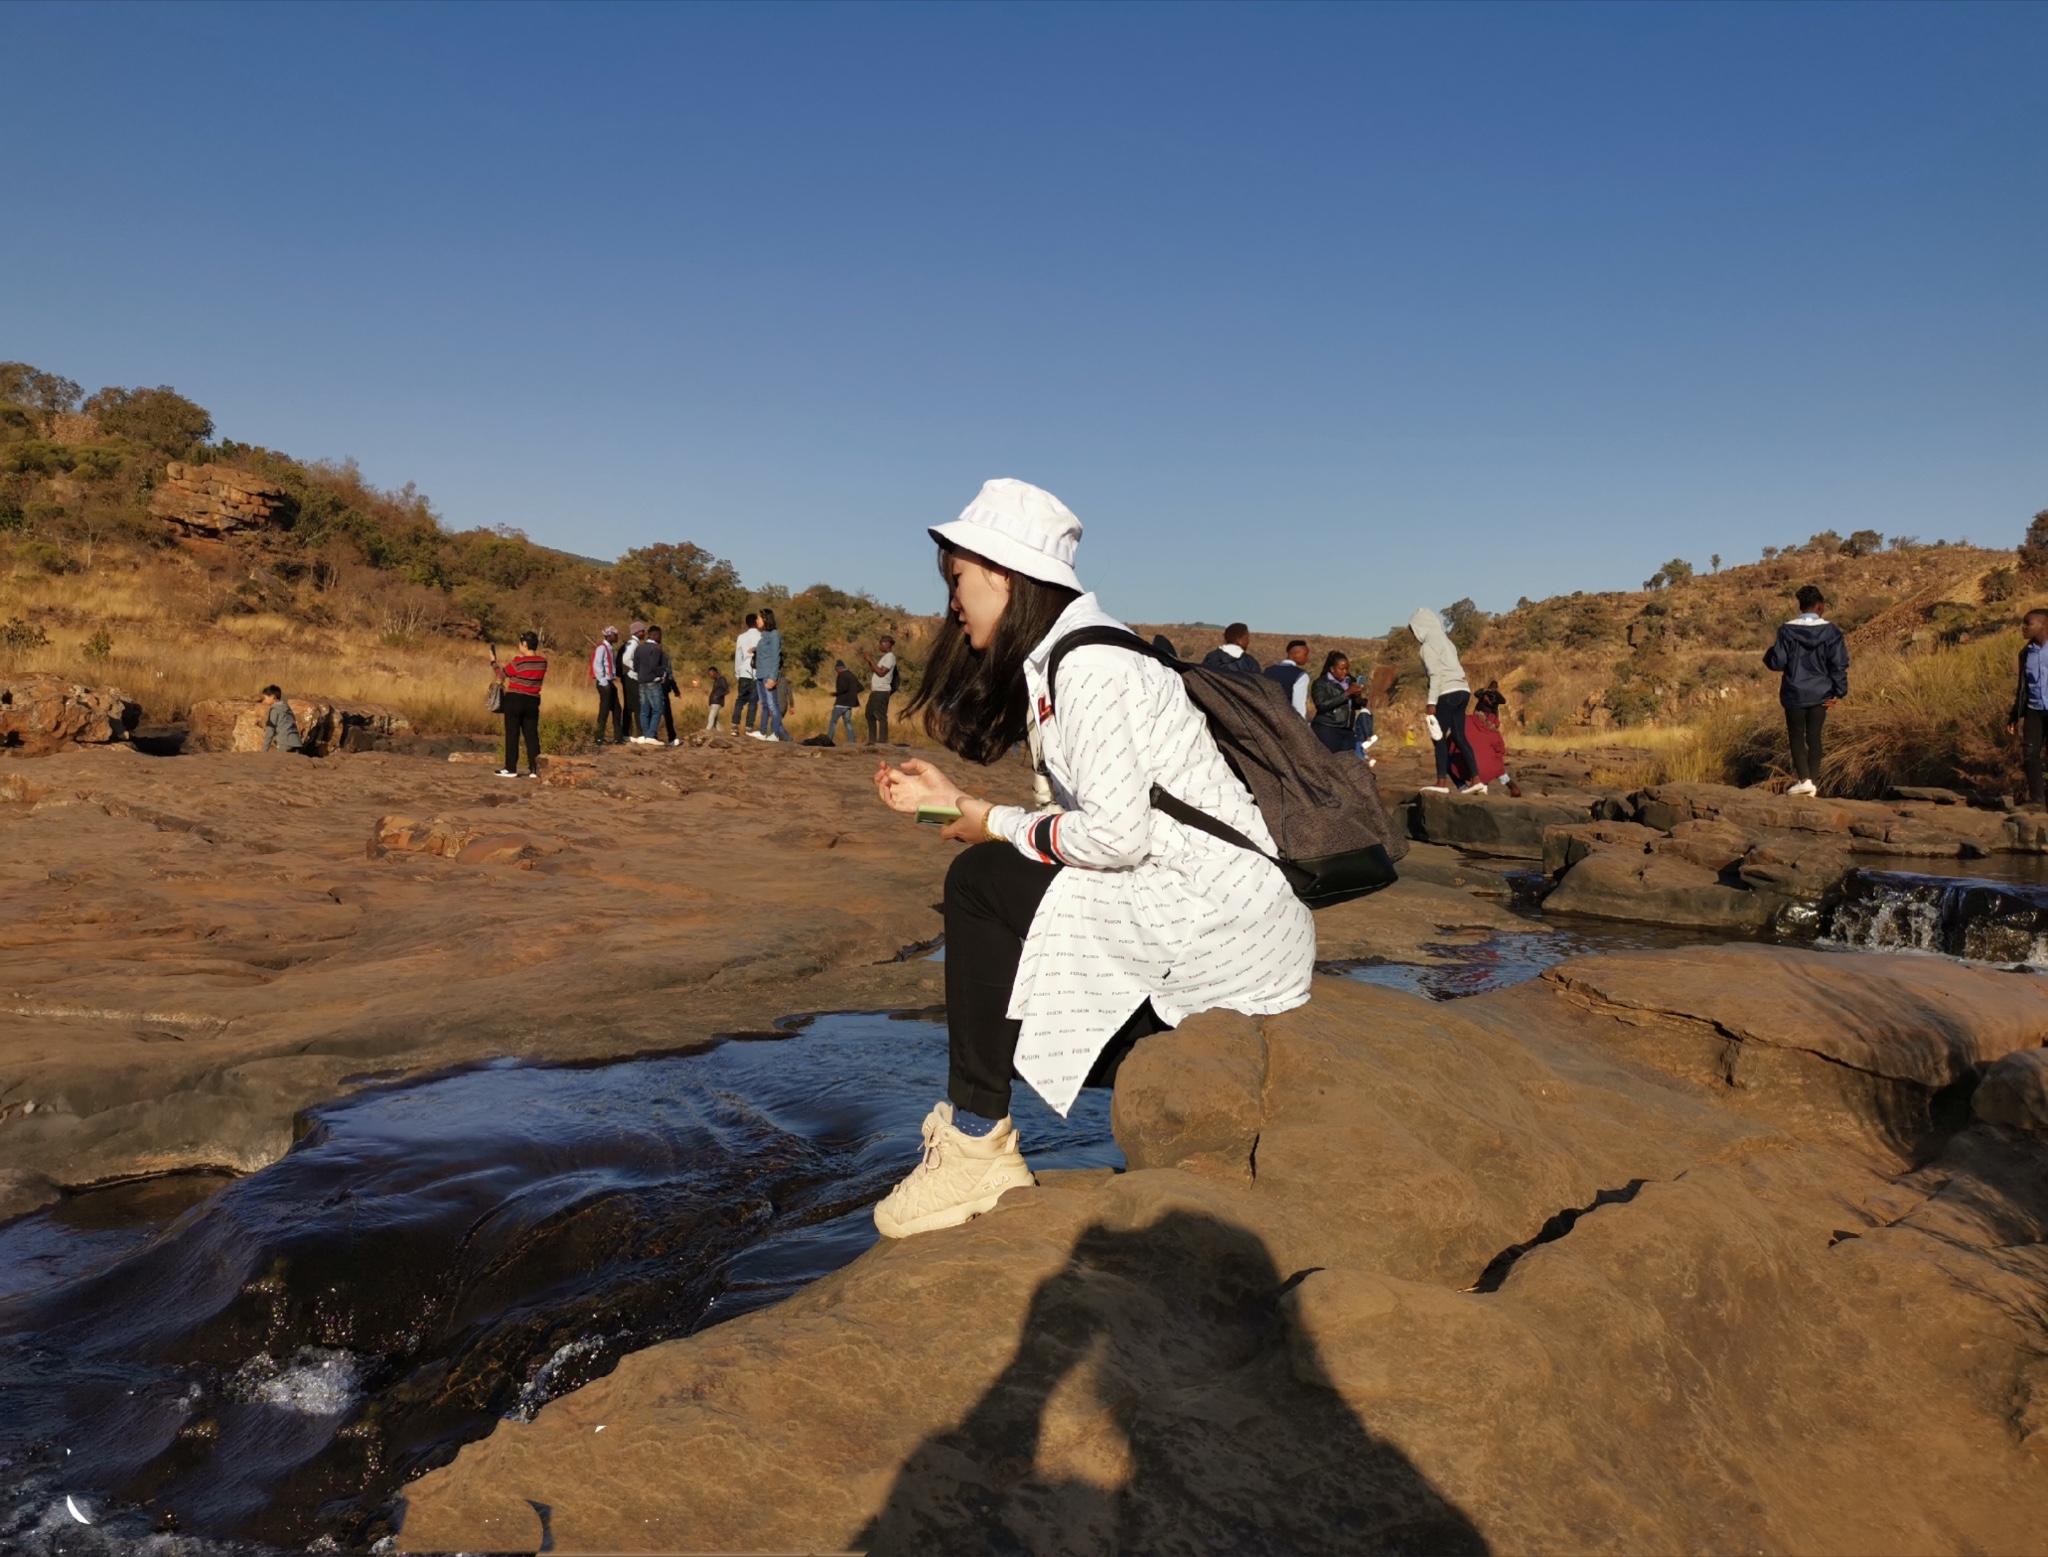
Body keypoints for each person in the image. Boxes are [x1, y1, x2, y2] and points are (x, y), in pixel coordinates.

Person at [870, 477, 1314, 1239]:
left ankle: (976, 1143)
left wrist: (988, 822)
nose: (952, 602)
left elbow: (1113, 837)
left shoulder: (1088, 664)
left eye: (958, 580)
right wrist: (952, 807)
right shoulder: (1066, 658)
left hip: (1217, 911)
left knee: (979, 885)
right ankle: (1049, 1109)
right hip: (1209, 900)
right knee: (999, 879)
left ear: (1003, 574)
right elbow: (1064, 823)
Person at [1763, 584, 1848, 798]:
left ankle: (1804, 780)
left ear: (1801, 606)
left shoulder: (1786, 630)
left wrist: (1768, 654)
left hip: (1794, 693)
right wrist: (1839, 692)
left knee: (1796, 736)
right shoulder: (1832, 631)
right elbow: (1839, 664)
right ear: (1820, 606)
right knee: (1815, 737)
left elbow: (1777, 661)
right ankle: (1813, 784)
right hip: (1822, 693)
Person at [1409, 608, 1481, 796]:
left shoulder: (1427, 646)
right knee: (1459, 736)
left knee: (1438, 737)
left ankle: (1441, 782)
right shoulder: (1447, 642)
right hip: (1463, 690)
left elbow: (1436, 675)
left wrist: (1431, 701)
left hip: (1446, 693)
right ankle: (1476, 779)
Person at [1453, 684, 1523, 798]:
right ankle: (1509, 785)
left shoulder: (1465, 721)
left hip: (1470, 770)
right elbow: (1500, 752)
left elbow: (1451, 744)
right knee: (1493, 765)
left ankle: (1463, 788)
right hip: (1490, 770)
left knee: (1447, 761)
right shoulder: (1494, 730)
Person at [492, 632, 546, 778]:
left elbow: (502, 673)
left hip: (515, 699)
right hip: (533, 701)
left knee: (512, 734)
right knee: (531, 735)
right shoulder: (542, 662)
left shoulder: (519, 662)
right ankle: (535, 769)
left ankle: (510, 768)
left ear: (524, 644)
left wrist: (494, 662)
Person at [2009, 610, 2048, 809]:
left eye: (2028, 623)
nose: (2023, 627)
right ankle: (2037, 801)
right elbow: (2022, 687)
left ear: (2043, 625)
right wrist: (2014, 715)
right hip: (2034, 711)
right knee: (2030, 754)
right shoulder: (2026, 653)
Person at [1309, 652, 1368, 755]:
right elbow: (1321, 705)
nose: (1345, 672)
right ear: (1332, 669)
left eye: (1347, 668)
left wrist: (1358, 696)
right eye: (1341, 669)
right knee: (1329, 762)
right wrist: (1347, 693)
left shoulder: (1350, 682)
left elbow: (1357, 706)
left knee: (1348, 763)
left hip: (1347, 730)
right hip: (1327, 728)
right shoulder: (1321, 683)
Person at [752, 607, 789, 741]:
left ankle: (774, 734)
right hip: (760, 673)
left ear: (765, 619)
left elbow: (775, 656)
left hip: (768, 673)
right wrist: (755, 650)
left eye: (759, 618)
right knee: (764, 704)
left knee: (773, 705)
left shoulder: (774, 635)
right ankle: (762, 732)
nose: (757, 620)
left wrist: (773, 677)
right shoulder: (765, 635)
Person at [590, 626, 625, 744]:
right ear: (609, 635)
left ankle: (618, 737)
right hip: (604, 683)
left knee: (617, 709)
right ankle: (598, 737)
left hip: (610, 682)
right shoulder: (602, 648)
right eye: (615, 635)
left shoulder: (609, 648)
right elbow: (597, 665)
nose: (617, 637)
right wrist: (604, 682)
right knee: (604, 710)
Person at [645, 625, 679, 744]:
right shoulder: (660, 655)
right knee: (661, 712)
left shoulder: (660, 655)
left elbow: (669, 673)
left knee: (657, 711)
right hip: (658, 686)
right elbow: (668, 673)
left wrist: (674, 688)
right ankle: (666, 736)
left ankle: (656, 735)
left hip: (656, 686)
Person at [861, 634, 898, 744]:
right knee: (869, 714)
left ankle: (882, 741)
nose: (879, 646)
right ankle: (872, 740)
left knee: (880, 715)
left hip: (882, 691)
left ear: (888, 644)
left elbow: (881, 673)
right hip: (876, 690)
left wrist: (871, 659)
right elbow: (875, 670)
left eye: (881, 644)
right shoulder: (885, 657)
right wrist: (869, 660)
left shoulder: (890, 657)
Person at [1263, 639, 1312, 719]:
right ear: (1295, 654)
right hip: (1286, 720)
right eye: (1305, 654)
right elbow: (1298, 706)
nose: (1307, 658)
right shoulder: (1300, 675)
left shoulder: (1268, 671)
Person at [731, 613, 762, 734]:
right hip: (757, 672)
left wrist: (737, 672)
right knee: (753, 702)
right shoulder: (762, 637)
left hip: (744, 670)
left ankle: (734, 726)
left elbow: (738, 656)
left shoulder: (741, 637)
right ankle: (749, 728)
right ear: (756, 622)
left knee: (740, 700)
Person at [619, 622, 647, 740]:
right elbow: (626, 659)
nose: (644, 633)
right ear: (637, 632)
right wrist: (636, 668)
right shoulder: (633, 644)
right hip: (631, 677)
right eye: (642, 631)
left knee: (630, 706)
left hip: (630, 677)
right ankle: (640, 734)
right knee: (637, 706)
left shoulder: (635, 643)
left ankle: (627, 733)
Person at [259, 685, 303, 753]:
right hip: (296, 742)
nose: (264, 700)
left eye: (265, 697)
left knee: (276, 761)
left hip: (285, 743)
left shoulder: (275, 710)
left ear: (273, 697)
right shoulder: (286, 707)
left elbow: (270, 730)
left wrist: (264, 750)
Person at [828, 658, 861, 744]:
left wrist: (835, 694)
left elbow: (843, 688)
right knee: (847, 723)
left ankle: (828, 740)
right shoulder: (852, 675)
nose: (836, 672)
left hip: (840, 703)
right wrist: (852, 693)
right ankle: (852, 740)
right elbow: (861, 687)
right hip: (849, 705)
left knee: (833, 722)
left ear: (839, 669)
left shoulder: (841, 676)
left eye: (836, 670)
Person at [705, 665, 730, 731]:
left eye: (710, 674)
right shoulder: (716, 680)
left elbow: (727, 690)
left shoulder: (722, 679)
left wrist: (718, 695)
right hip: (713, 702)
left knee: (711, 718)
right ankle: (721, 732)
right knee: (715, 720)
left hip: (717, 702)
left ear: (715, 672)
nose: (709, 676)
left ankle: (707, 732)